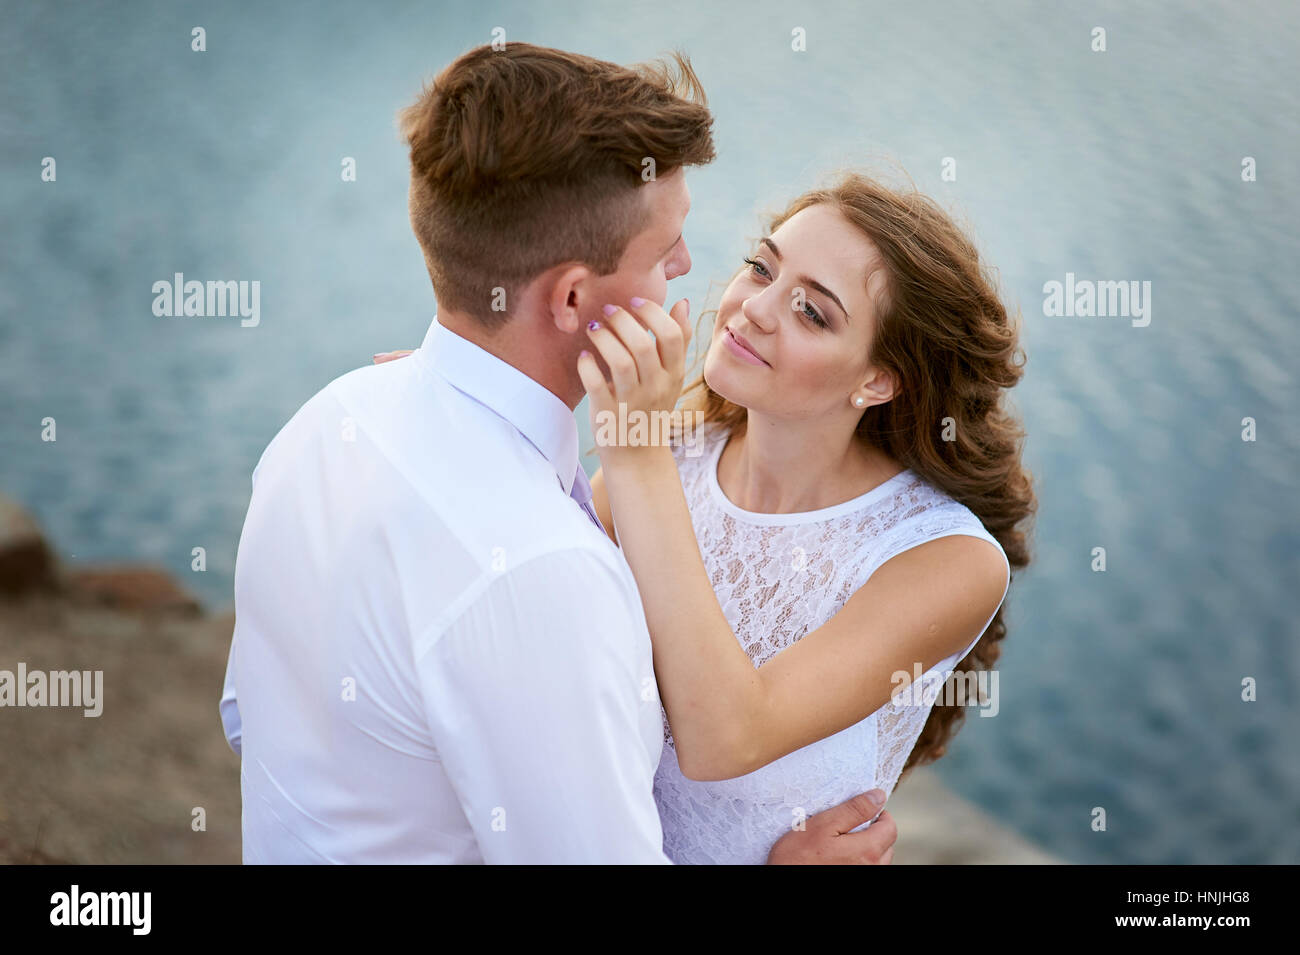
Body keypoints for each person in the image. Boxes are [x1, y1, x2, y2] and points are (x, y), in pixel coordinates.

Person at [219, 41, 897, 864]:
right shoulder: (542, 569)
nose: (693, 270)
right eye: (664, 251)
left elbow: (246, 720)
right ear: (575, 297)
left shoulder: (326, 421)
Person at [569, 171, 1037, 864]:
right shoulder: (677, 452)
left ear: (876, 380)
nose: (755, 308)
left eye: (812, 312)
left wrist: (634, 452)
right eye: (761, 267)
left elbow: (723, 736)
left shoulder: (945, 560)